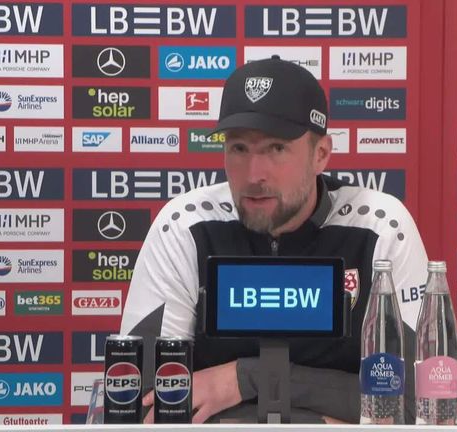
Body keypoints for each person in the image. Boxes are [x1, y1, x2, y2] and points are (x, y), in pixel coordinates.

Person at [120, 56, 429, 424]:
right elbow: (143, 405)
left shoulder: (378, 228)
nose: (254, 175)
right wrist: (325, 408)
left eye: (276, 149)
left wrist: (244, 379)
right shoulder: (186, 227)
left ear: (321, 154)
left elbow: (418, 405)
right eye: (239, 148)